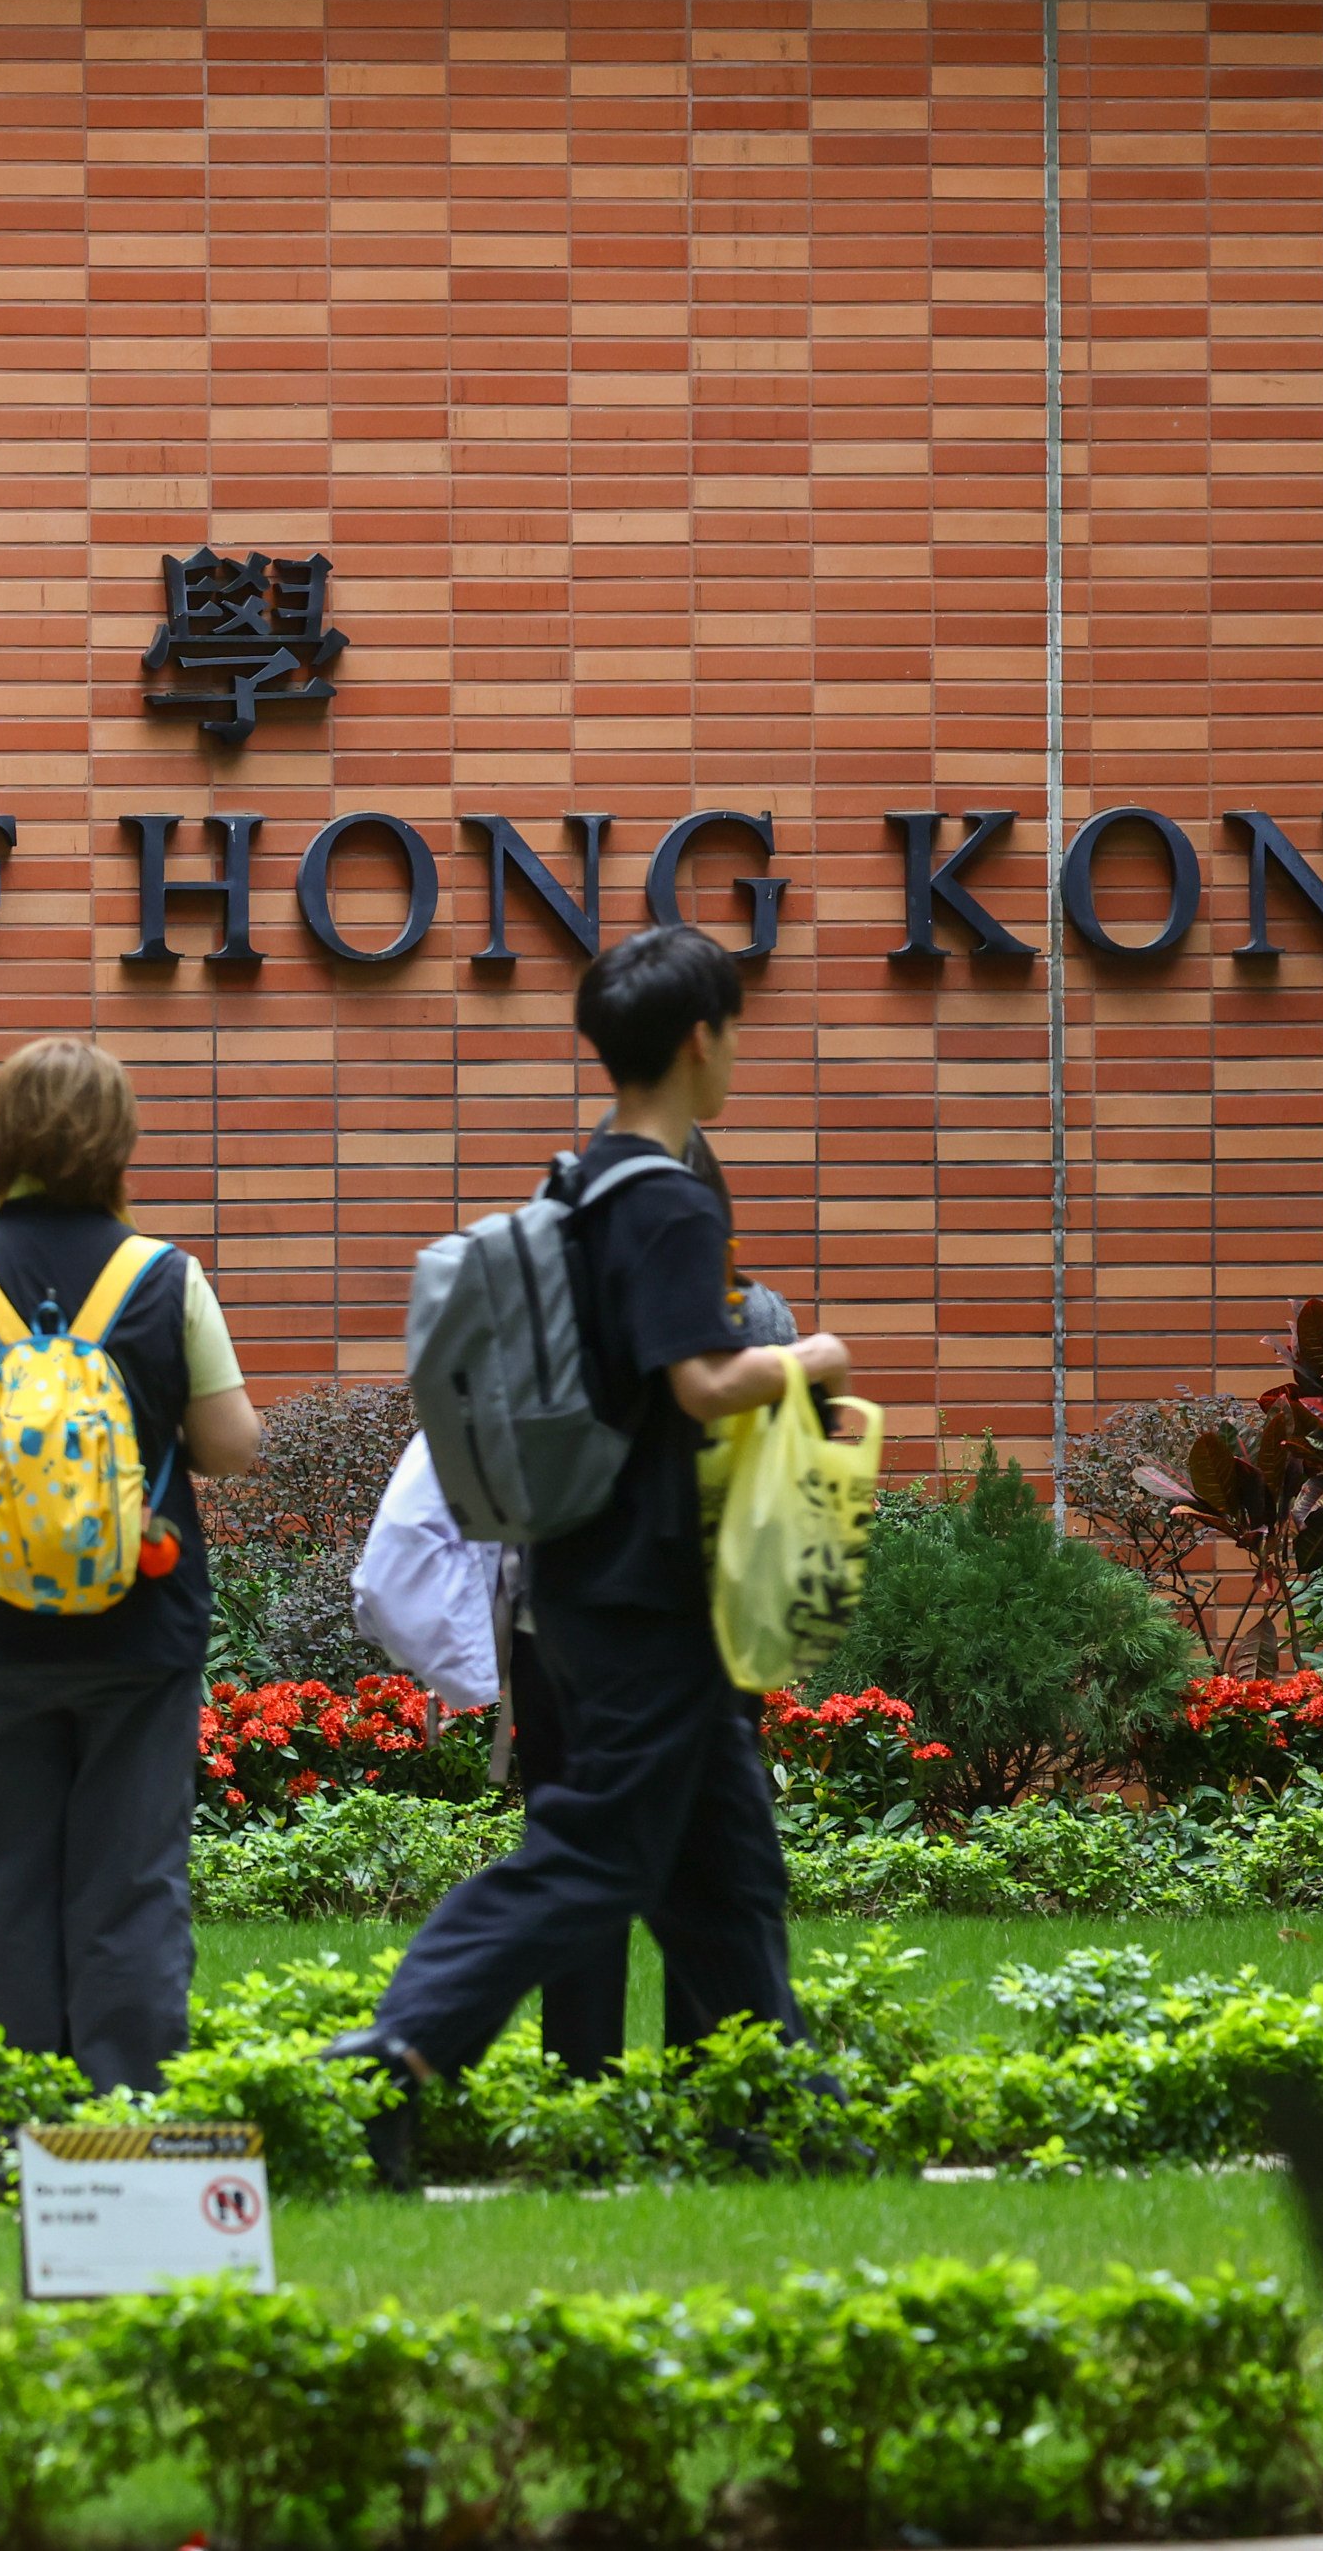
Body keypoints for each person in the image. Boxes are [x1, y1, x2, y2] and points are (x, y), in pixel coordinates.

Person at [326, 924, 861, 2181]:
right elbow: (695, 1379)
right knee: (592, 1851)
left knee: (729, 1867)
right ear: (698, 1040)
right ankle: (396, 2049)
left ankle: (765, 2103)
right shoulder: (667, 1196)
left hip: (584, 1575)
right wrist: (813, 1358)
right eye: (731, 1030)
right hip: (647, 1590)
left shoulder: (580, 1185)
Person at [0, 1037, 264, 2097]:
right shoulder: (164, 1275)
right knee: (131, 1882)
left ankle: (17, 2127)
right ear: (119, 1140)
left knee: (8, 1882)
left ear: (3, 1139)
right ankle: (122, 2125)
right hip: (142, 1623)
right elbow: (232, 1443)